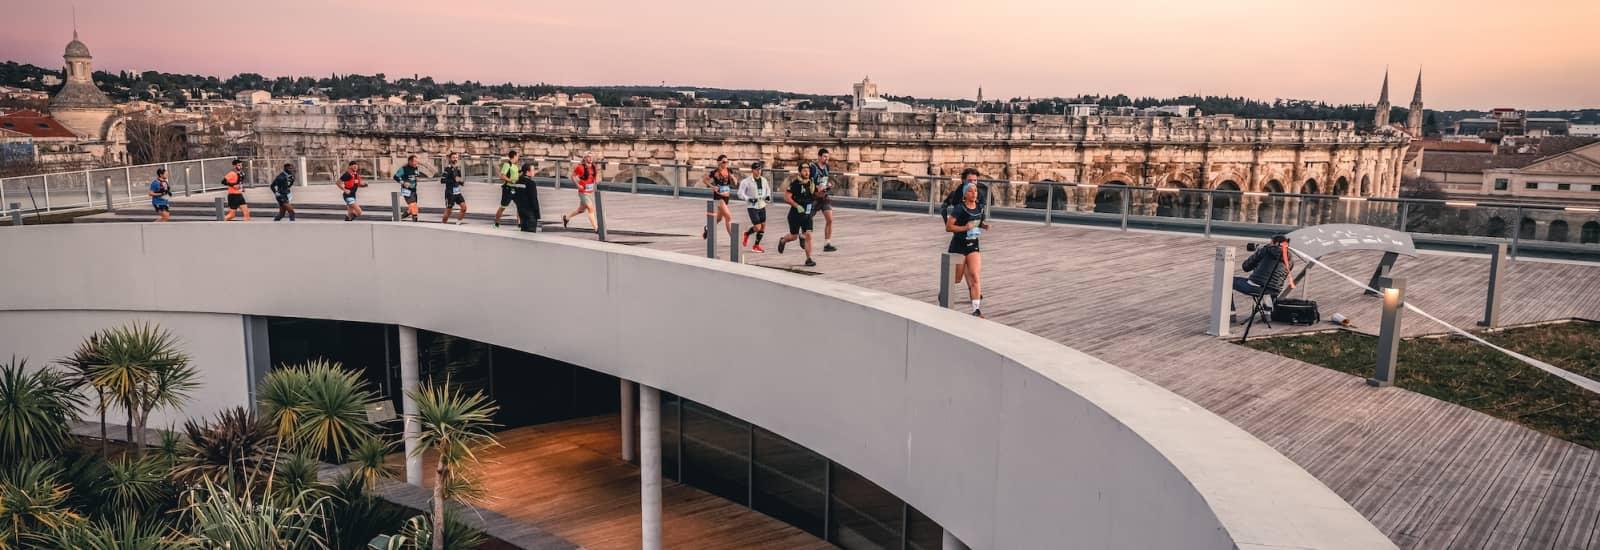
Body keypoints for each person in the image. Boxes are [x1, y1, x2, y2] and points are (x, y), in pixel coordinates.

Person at [945, 178, 990, 318]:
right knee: (957, 279)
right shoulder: (959, 208)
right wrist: (965, 227)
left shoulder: (979, 208)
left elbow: (979, 222)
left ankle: (976, 310)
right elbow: (948, 227)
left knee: (975, 277)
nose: (974, 193)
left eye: (975, 191)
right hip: (958, 246)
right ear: (965, 194)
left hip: (973, 245)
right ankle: (944, 291)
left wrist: (984, 226)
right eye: (970, 191)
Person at [1233, 235, 1295, 322]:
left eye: (1271, 242)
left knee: (1228, 280)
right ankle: (1267, 313)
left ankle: (1230, 314)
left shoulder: (1266, 250)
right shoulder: (1290, 260)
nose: (1269, 244)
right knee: (1267, 286)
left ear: (1276, 243)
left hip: (1257, 287)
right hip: (1275, 291)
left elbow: (1245, 267)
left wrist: (1258, 254)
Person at [776, 164, 818, 267]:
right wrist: (796, 205)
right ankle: (783, 240)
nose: (807, 172)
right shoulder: (795, 184)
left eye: (808, 170)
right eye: (804, 170)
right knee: (793, 236)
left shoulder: (811, 183)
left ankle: (808, 259)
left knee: (809, 235)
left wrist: (824, 190)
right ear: (800, 172)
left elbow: (815, 195)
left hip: (807, 214)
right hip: (795, 214)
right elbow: (786, 198)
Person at [736, 160, 772, 252]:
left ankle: (756, 246)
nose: (758, 171)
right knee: (757, 227)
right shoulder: (746, 181)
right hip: (752, 206)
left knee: (763, 226)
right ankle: (747, 234)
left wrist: (768, 196)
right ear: (752, 170)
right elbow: (740, 193)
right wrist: (748, 198)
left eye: (759, 169)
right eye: (756, 169)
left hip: (762, 205)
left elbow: (768, 190)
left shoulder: (764, 180)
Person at [702, 154, 736, 241]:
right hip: (719, 197)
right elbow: (705, 180)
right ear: (719, 162)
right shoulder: (715, 172)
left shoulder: (729, 170)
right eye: (724, 162)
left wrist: (734, 179)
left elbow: (734, 180)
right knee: (728, 217)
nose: (726, 164)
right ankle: (733, 239)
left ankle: (707, 228)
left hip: (726, 197)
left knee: (719, 218)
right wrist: (712, 186)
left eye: (727, 162)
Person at [809, 148, 837, 252]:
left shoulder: (827, 167)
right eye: (825, 156)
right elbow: (808, 181)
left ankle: (827, 243)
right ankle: (802, 236)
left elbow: (824, 180)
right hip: (814, 197)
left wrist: (828, 185)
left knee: (830, 220)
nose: (827, 159)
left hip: (824, 197)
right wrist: (816, 188)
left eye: (827, 157)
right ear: (819, 157)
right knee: (808, 219)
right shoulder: (812, 168)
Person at [563, 153, 599, 230]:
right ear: (585, 158)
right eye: (589, 157)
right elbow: (572, 176)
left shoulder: (593, 167)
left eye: (591, 157)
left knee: (581, 210)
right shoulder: (580, 167)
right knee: (591, 208)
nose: (591, 158)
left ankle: (566, 218)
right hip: (583, 192)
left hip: (589, 192)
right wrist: (578, 185)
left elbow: (594, 178)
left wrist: (595, 186)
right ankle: (596, 228)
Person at [494, 150, 521, 228]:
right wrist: (510, 181)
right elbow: (502, 176)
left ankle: (519, 223)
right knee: (503, 207)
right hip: (508, 188)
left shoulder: (515, 166)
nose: (518, 157)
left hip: (516, 188)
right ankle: (497, 222)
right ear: (514, 156)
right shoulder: (507, 164)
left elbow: (517, 175)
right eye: (518, 156)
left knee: (520, 206)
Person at [512, 162, 542, 232]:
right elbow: (533, 199)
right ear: (528, 172)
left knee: (524, 232)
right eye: (533, 170)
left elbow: (513, 194)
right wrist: (537, 214)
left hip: (521, 211)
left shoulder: (517, 181)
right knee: (530, 233)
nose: (534, 172)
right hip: (530, 213)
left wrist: (518, 204)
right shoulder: (531, 183)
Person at [393, 155, 424, 221]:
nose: (416, 163)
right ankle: (415, 221)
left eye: (416, 161)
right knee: (413, 207)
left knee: (411, 209)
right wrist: (403, 182)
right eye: (414, 161)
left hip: (413, 190)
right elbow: (395, 177)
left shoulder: (416, 168)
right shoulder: (404, 169)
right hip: (406, 190)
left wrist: (417, 178)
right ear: (410, 161)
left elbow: (416, 175)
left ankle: (399, 217)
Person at [440, 152, 467, 224]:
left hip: (457, 192)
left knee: (464, 208)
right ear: (450, 159)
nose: (455, 159)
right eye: (453, 157)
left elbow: (458, 179)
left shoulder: (457, 169)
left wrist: (461, 182)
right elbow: (442, 180)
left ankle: (458, 222)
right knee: (449, 211)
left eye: (456, 157)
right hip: (450, 193)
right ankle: (443, 224)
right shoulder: (447, 169)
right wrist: (453, 180)